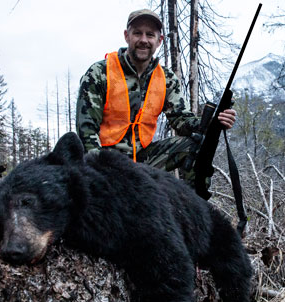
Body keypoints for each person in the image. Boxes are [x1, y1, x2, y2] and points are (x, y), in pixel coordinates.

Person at [76, 9, 236, 186]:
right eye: (137, 33)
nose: (143, 40)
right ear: (126, 36)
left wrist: (213, 123)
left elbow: (181, 120)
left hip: (145, 159)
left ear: (159, 40)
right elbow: (87, 130)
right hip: (105, 160)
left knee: (197, 147)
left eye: (150, 35)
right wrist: (101, 172)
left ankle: (191, 209)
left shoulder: (166, 79)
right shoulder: (100, 73)